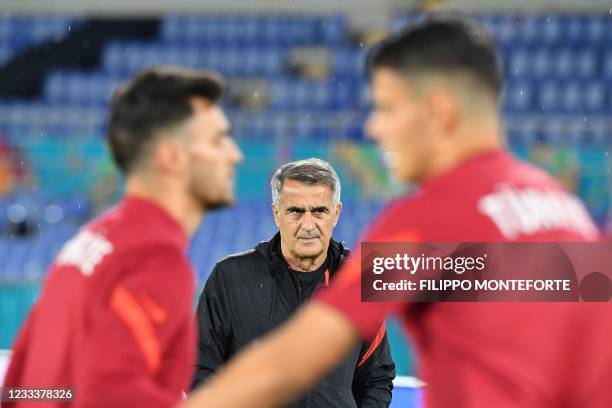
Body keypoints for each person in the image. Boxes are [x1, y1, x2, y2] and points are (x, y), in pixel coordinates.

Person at [183, 16, 611, 408]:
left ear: (438, 111)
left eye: (386, 107)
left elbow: (291, 362)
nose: (374, 127)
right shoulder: (563, 208)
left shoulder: (434, 218)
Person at [2, 65, 243, 407]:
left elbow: (18, 385)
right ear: (172, 156)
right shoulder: (154, 260)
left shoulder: (88, 242)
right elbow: (111, 396)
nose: (235, 154)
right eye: (219, 139)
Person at [192, 158, 395, 407]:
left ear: (336, 213)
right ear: (277, 213)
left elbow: (376, 378)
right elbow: (200, 368)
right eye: (295, 211)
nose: (308, 225)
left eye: (319, 211)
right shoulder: (229, 276)